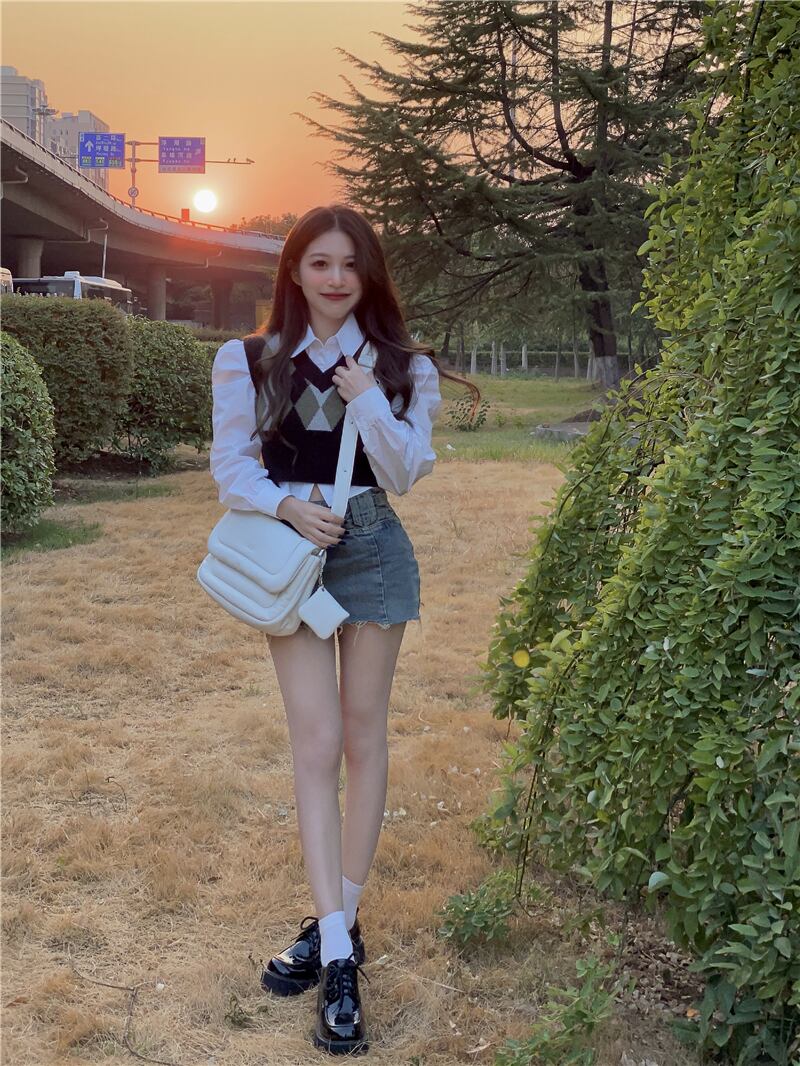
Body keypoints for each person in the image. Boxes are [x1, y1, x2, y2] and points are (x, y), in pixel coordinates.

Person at [209, 204, 478, 1055]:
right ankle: (336, 946)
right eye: (319, 263)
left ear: (370, 275)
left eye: (350, 265)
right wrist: (285, 506)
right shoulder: (249, 359)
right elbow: (230, 466)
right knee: (316, 743)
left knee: (364, 738)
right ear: (293, 270)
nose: (335, 279)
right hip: (291, 550)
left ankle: (335, 930)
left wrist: (367, 399)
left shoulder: (402, 367)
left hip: (371, 549)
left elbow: (405, 471)